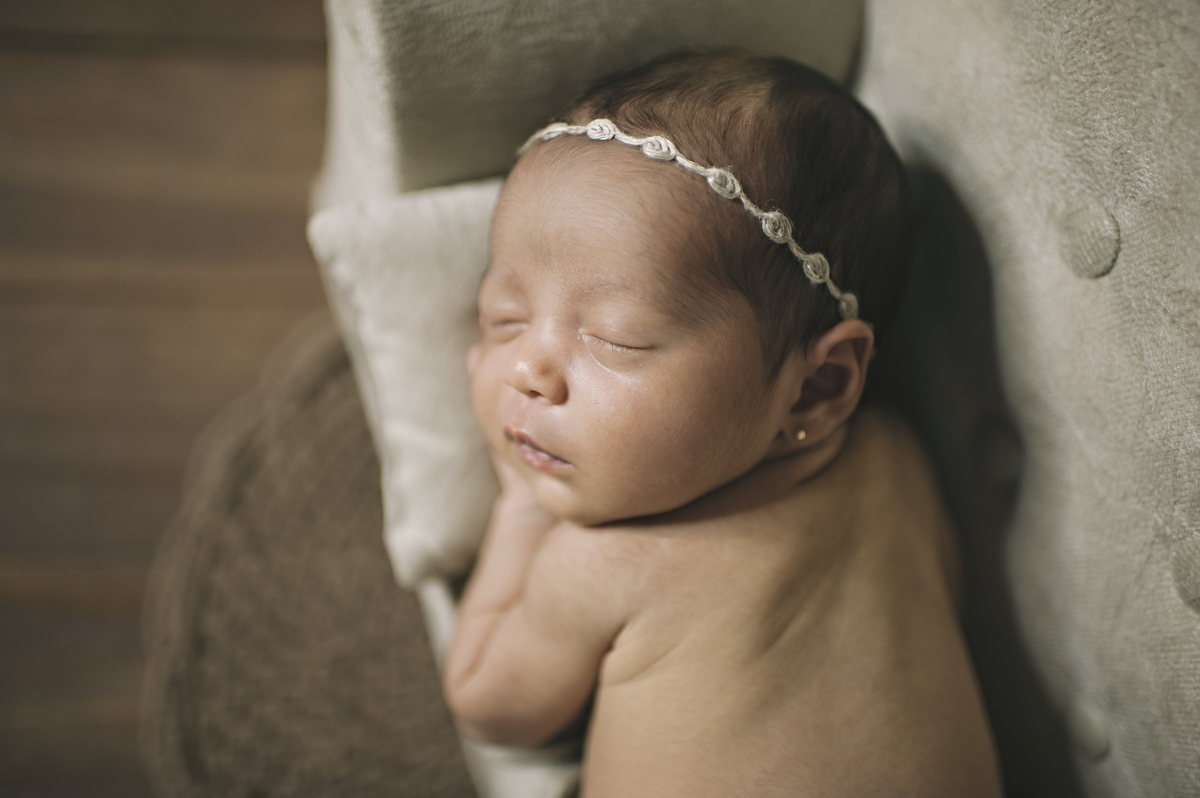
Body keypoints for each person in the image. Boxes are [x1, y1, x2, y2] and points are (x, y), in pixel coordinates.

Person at [443, 49, 1002, 797]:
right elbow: (946, 598)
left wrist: (519, 506)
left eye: (616, 339)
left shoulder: (603, 562)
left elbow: (489, 703)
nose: (526, 371)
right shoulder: (895, 460)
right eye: (502, 319)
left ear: (817, 387)